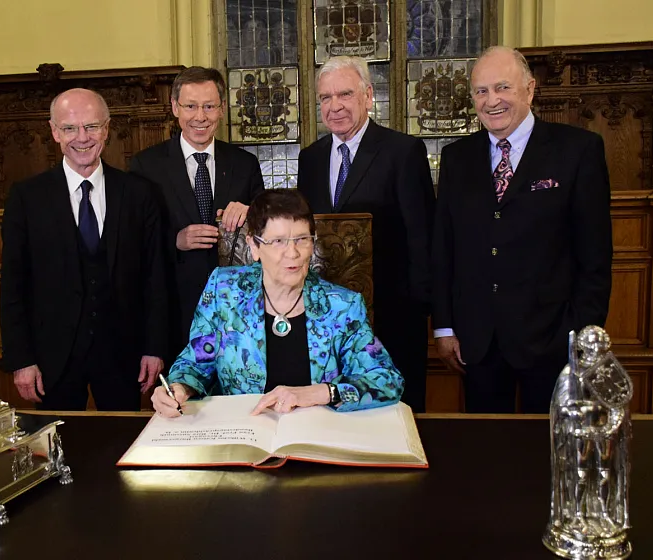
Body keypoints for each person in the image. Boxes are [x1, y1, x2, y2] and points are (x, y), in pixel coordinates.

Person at [432, 46, 612, 413]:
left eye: (503, 88)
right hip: (477, 341)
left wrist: (581, 334)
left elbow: (595, 255)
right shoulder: (456, 158)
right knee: (486, 455)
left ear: (529, 89)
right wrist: (445, 328)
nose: (491, 100)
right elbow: (444, 248)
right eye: (481, 91)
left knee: (546, 454)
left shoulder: (577, 150)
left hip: (552, 337)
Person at [152, 189, 403, 417]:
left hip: (316, 436)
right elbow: (195, 363)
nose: (293, 253)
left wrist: (320, 392)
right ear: (254, 245)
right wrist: (178, 389)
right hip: (243, 433)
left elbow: (388, 381)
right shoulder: (224, 291)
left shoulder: (342, 306)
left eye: (302, 239)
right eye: (278, 241)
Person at [0, 88, 167, 410]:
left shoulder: (139, 194)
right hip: (52, 357)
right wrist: (21, 359)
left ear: (106, 129)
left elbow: (155, 278)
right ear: (54, 131)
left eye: (91, 127)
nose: (82, 138)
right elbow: (13, 286)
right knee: (58, 447)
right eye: (70, 128)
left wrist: (155, 347)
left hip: (123, 354)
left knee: (121, 447)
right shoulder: (27, 198)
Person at [297, 56, 435, 412]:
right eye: (325, 98)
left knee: (395, 411)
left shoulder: (403, 151)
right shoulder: (310, 159)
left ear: (368, 96)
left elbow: (421, 235)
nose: (335, 106)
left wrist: (421, 311)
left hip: (393, 315)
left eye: (344, 94)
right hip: (328, 316)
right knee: (335, 413)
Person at [130, 67, 265, 359]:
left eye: (209, 106)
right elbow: (132, 239)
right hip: (175, 310)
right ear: (175, 108)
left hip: (237, 314)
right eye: (190, 106)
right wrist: (174, 239)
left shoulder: (245, 164)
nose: (200, 116)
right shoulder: (146, 166)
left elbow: (270, 233)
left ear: (221, 109)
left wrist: (252, 212)